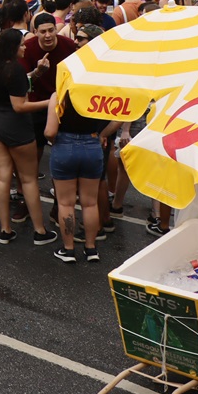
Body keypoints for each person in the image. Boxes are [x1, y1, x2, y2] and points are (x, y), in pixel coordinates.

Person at [0, 28, 57, 247]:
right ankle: (40, 231)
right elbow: (20, 105)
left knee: (2, 176)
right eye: (22, 44)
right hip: (15, 126)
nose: (25, 47)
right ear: (13, 47)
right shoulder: (15, 69)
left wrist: (33, 74)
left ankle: (5, 229)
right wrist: (51, 102)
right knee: (28, 178)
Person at [46, 78, 119, 263]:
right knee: (90, 203)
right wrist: (102, 135)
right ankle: (91, 248)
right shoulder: (96, 94)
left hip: (65, 145)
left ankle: (69, 249)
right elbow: (119, 116)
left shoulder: (60, 96)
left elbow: (50, 131)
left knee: (65, 203)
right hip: (92, 145)